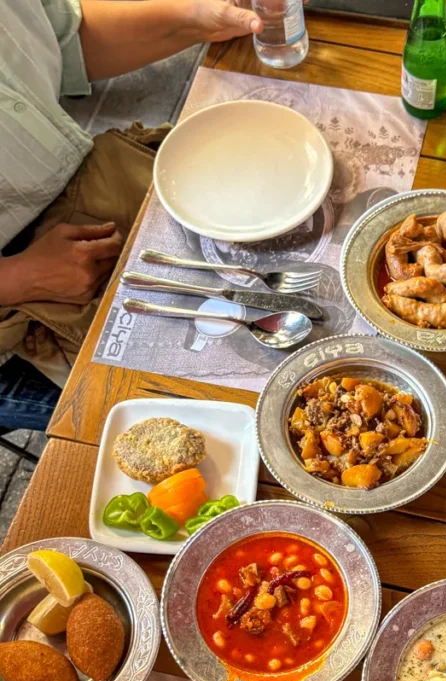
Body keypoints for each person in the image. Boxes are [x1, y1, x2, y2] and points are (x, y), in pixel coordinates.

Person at [0, 0, 275, 433]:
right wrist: (17, 278)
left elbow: (64, 38)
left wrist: (193, 18)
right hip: (19, 312)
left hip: (97, 185)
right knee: (217, 424)